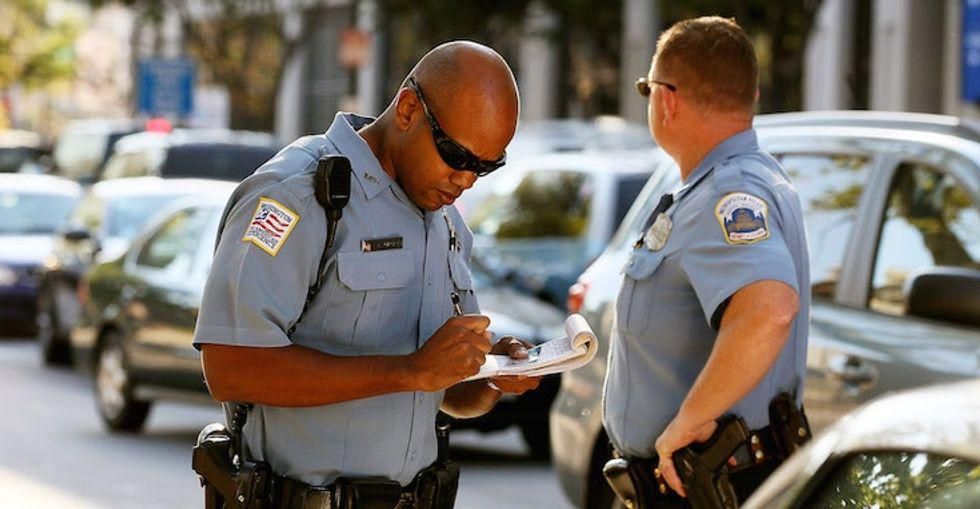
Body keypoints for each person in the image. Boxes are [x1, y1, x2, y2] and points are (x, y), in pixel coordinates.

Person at [193, 41, 539, 508]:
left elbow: (445, 394)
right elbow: (230, 366)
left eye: (485, 166)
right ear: (408, 109)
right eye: (457, 156)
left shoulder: (446, 222)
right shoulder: (299, 194)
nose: (466, 180)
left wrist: (492, 376)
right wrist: (408, 371)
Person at [601, 16, 811, 507]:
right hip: (705, 479)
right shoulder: (747, 180)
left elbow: (769, 308)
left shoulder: (727, 192)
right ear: (752, 98)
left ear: (665, 99)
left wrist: (690, 421)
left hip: (705, 482)